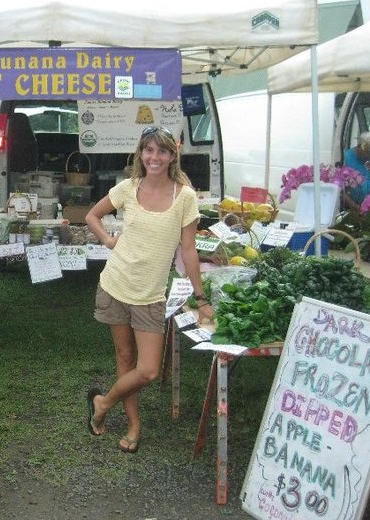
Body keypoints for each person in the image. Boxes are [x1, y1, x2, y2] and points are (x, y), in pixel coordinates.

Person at [84, 126, 213, 454]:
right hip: (115, 284)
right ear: (141, 153)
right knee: (125, 357)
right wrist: (109, 240)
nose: (155, 157)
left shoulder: (183, 196)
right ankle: (133, 424)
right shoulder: (128, 188)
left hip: (151, 295)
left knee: (149, 369)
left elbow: (188, 250)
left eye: (162, 151)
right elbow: (92, 215)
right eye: (149, 150)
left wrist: (202, 298)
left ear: (173, 156)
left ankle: (103, 402)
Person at [342, 131, 370, 211]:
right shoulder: (346, 157)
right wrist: (355, 207)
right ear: (359, 146)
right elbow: (340, 189)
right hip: (351, 208)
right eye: (368, 151)